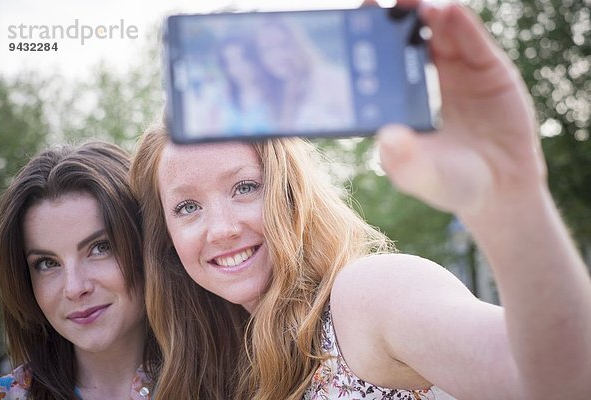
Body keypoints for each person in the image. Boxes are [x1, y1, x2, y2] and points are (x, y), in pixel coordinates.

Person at [130, 1, 591, 399]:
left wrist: (510, 196)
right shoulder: (207, 367)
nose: (222, 228)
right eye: (187, 207)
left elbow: (558, 382)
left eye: (245, 187)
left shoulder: (365, 297)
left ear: (292, 193)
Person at [0, 142, 160, 399]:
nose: (74, 288)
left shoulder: (231, 383)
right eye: (47, 263)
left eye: (101, 248)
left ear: (147, 244)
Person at [253, 16, 355, 132]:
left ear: (298, 43)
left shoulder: (331, 79)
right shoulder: (266, 93)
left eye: (284, 45)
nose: (278, 55)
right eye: (267, 49)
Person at [215, 34, 277, 135]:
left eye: (242, 58)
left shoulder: (275, 94)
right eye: (229, 62)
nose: (238, 67)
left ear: (254, 58)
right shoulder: (220, 98)